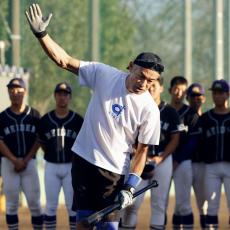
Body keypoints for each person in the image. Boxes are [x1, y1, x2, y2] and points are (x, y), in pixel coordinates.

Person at [25, 4, 163, 230]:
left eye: (151, 81)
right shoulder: (104, 74)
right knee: (83, 223)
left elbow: (142, 152)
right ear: (130, 67)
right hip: (83, 160)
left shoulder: (149, 109)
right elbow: (65, 61)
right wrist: (42, 35)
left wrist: (129, 187)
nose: (144, 84)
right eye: (141, 76)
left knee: (108, 227)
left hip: (114, 173)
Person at [120, 77, 181, 229]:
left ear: (161, 88)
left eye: (155, 85)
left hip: (162, 160)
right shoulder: (137, 107)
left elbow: (175, 139)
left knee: (159, 204)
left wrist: (161, 158)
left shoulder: (170, 111)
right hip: (139, 160)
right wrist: (137, 152)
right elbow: (127, 134)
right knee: (131, 203)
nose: (152, 88)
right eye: (150, 85)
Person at [38, 82, 84, 230]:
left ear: (69, 97)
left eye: (65, 94)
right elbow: (43, 143)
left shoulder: (77, 120)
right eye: (59, 94)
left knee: (72, 207)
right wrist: (51, 154)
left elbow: (82, 144)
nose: (62, 97)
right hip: (51, 166)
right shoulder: (45, 120)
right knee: (50, 206)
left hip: (72, 167)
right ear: (55, 96)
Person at [0, 78, 43, 230]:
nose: (15, 93)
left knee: (35, 204)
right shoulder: (3, 117)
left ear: (24, 92)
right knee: (11, 205)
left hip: (29, 162)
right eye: (12, 91)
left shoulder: (34, 115)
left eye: (18, 90)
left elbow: (39, 139)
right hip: (8, 163)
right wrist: (14, 160)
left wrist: (25, 159)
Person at [192, 79, 230, 229]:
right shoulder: (205, 118)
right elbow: (198, 143)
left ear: (227, 95)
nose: (217, 96)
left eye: (220, 93)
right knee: (211, 207)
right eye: (215, 93)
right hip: (210, 167)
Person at [169, 76, 199, 229]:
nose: (178, 93)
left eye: (182, 90)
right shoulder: (164, 110)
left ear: (186, 92)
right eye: (176, 89)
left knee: (183, 204)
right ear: (169, 90)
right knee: (161, 204)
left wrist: (177, 160)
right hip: (164, 161)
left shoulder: (190, 113)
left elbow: (192, 142)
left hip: (183, 162)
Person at [186, 83, 207, 228]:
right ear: (187, 98)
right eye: (193, 96)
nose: (196, 99)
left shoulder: (208, 118)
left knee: (203, 204)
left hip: (202, 164)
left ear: (204, 98)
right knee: (183, 204)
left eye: (199, 96)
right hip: (185, 164)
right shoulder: (183, 116)